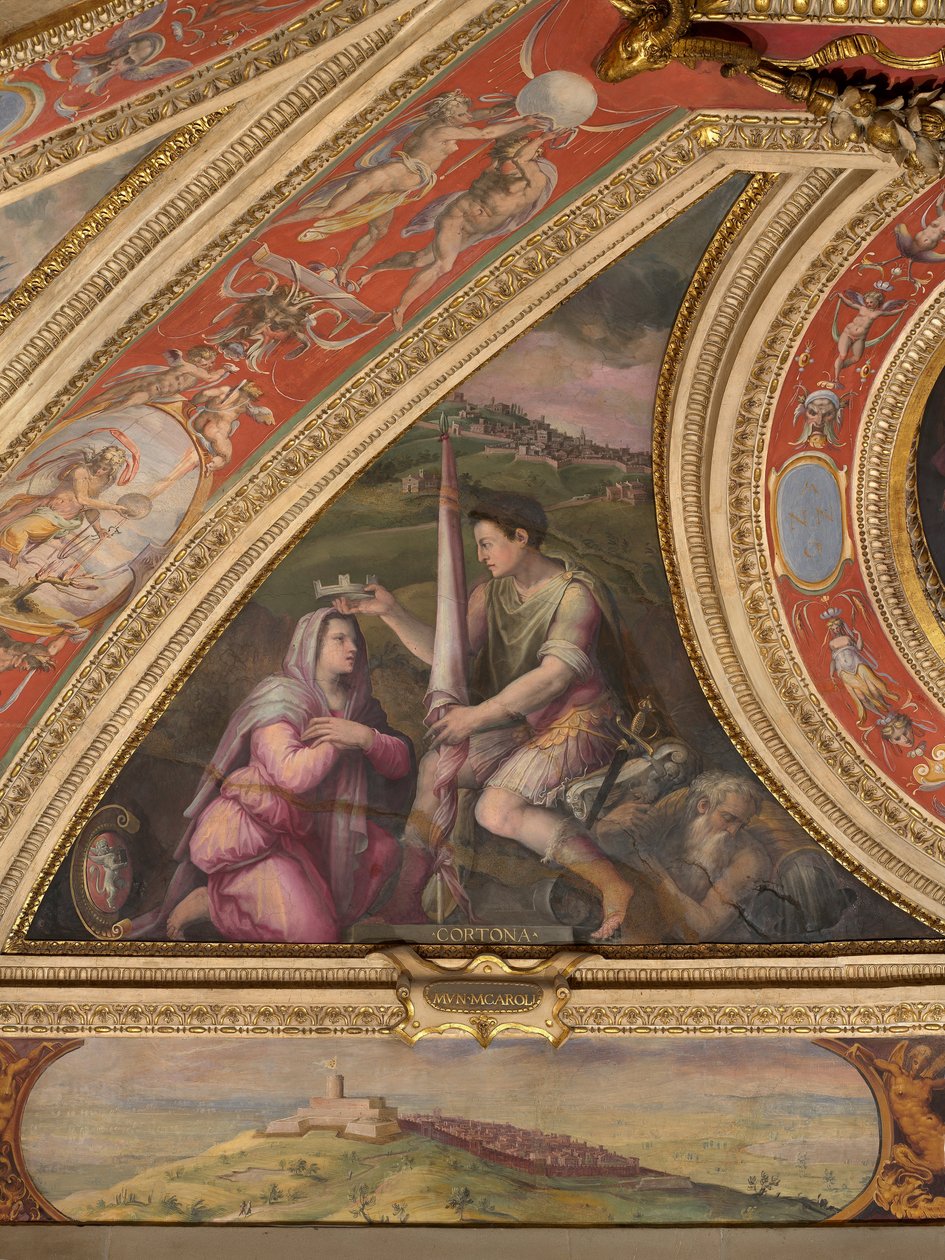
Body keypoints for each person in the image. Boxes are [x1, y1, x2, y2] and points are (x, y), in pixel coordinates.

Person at [335, 492, 636, 940]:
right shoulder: (490, 593)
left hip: (580, 724)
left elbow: (554, 678)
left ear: (522, 537)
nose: (480, 555)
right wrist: (391, 612)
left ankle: (612, 884)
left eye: (487, 544)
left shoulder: (574, 595)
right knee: (437, 768)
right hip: (522, 724)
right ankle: (407, 899)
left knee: (494, 810)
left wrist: (475, 718)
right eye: (477, 545)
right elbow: (449, 659)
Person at [162, 609, 415, 943]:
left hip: (323, 828)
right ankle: (215, 903)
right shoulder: (281, 697)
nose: (352, 648)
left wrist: (365, 737)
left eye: (355, 640)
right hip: (268, 833)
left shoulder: (358, 705)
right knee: (316, 935)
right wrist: (336, 741)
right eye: (339, 639)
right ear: (311, 645)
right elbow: (291, 775)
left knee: (384, 852)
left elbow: (400, 763)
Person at [286, 91, 545, 287]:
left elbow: (483, 116)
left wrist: (514, 105)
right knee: (328, 211)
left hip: (396, 190)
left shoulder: (446, 122)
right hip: (389, 177)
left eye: (467, 113)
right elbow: (484, 134)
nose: (469, 117)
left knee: (378, 231)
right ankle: (271, 226)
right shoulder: (441, 131)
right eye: (463, 115)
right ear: (450, 116)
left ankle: (343, 269)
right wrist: (524, 121)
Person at [362, 128, 555, 329]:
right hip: (458, 215)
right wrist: (537, 136)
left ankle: (377, 268)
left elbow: (521, 159)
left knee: (419, 260)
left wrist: (541, 140)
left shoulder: (535, 181)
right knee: (443, 266)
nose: (505, 164)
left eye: (514, 160)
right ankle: (401, 309)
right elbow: (504, 144)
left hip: (474, 232)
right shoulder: (497, 166)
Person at [621, 772, 769, 943]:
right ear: (703, 806)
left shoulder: (750, 860)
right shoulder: (672, 818)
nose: (733, 831)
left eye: (741, 824)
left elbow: (701, 930)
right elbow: (626, 849)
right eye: (728, 818)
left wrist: (656, 872)